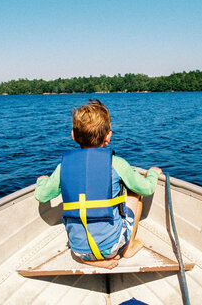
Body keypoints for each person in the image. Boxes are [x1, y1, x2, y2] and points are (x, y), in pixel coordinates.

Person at [35, 99, 162, 269]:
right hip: (112, 247)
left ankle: (88, 259)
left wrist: (42, 182)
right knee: (135, 194)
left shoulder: (63, 166)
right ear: (108, 136)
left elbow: (41, 195)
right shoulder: (117, 163)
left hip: (78, 248)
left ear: (73, 135)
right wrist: (152, 173)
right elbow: (147, 188)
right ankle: (128, 247)